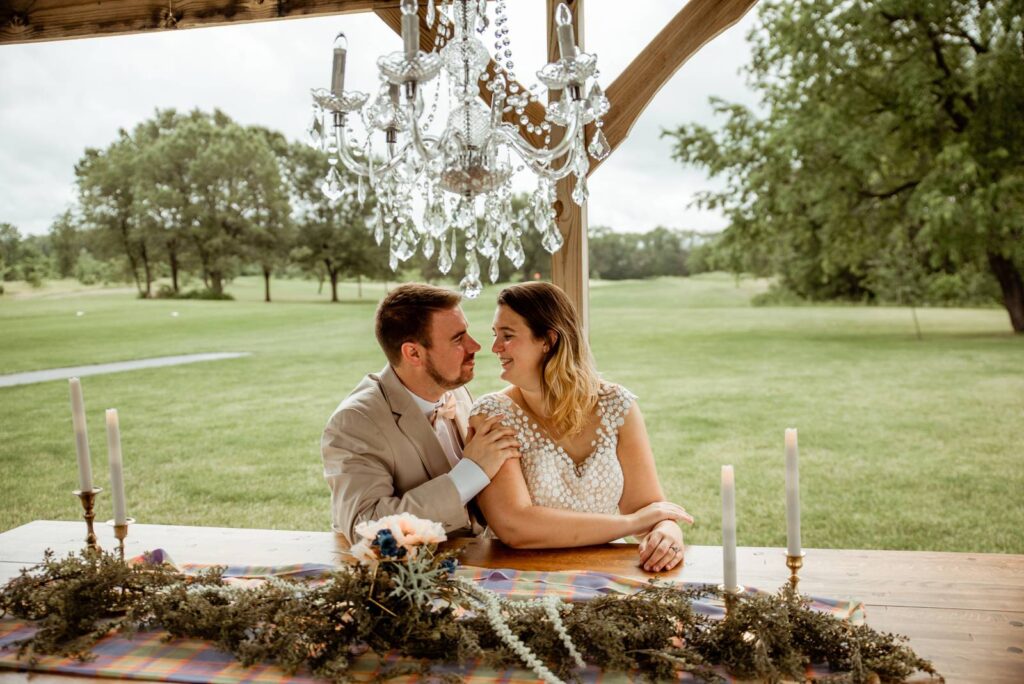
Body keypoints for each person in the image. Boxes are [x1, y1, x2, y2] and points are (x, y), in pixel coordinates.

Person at [470, 282, 693, 573]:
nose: (495, 347)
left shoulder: (617, 405)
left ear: (548, 340)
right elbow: (515, 526)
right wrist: (631, 524)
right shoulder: (493, 415)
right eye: (495, 335)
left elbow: (648, 508)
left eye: (507, 336)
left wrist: (667, 532)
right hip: (519, 577)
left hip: (603, 574)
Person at [322, 283, 520, 543]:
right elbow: (366, 528)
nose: (475, 346)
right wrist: (472, 471)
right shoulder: (355, 422)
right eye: (458, 339)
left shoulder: (456, 393)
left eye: (467, 333)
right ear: (413, 353)